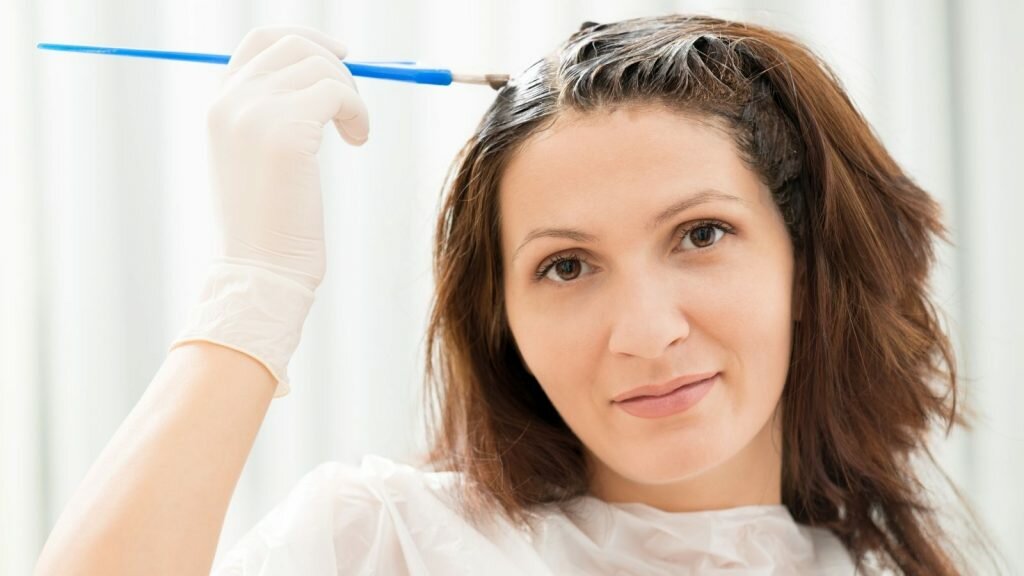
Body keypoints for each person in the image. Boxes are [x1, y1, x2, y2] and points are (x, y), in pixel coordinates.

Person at [35, 14, 1001, 576]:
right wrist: (257, 283)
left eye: (701, 235)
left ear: (808, 264)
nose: (646, 333)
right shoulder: (389, 545)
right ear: (501, 316)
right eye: (567, 266)